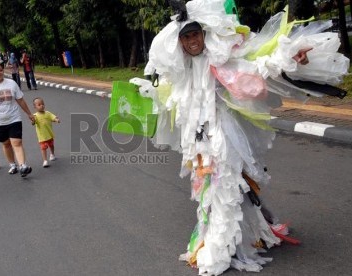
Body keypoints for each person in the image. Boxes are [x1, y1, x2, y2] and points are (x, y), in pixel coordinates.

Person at [130, 0, 349, 275]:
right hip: (198, 140)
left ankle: (218, 249)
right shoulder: (182, 70)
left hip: (223, 135)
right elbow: (169, 96)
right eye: (186, 37)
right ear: (180, 42)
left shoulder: (220, 59)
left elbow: (256, 66)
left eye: (195, 34)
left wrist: (289, 58)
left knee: (224, 185)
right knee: (211, 189)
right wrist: (147, 91)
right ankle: (253, 229)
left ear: (204, 35)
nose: (192, 41)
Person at [0, 61, 34, 177]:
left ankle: (23, 166)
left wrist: (29, 114)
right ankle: (12, 164)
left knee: (17, 142)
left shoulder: (12, 84)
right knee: (6, 144)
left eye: (0, 70)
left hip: (14, 118)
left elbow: (20, 100)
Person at [32, 97, 60, 167]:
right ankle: (45, 160)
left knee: (51, 145)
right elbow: (33, 123)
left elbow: (53, 117)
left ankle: (52, 154)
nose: (42, 105)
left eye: (43, 104)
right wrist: (32, 121)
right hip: (42, 136)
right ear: (35, 107)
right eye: (39, 104)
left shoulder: (48, 113)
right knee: (43, 148)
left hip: (49, 134)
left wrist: (56, 120)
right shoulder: (35, 116)